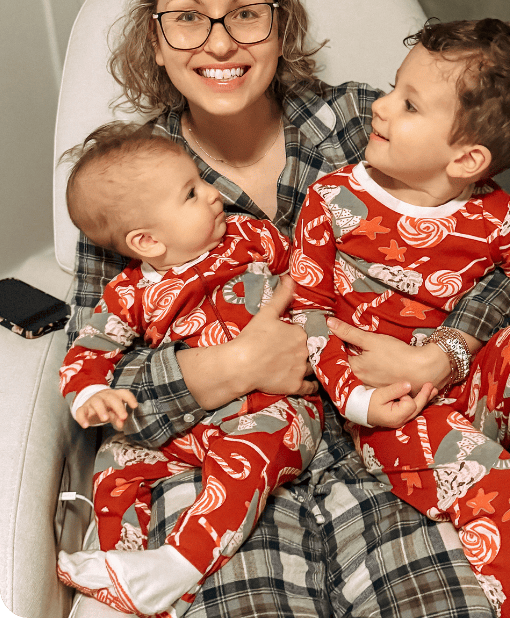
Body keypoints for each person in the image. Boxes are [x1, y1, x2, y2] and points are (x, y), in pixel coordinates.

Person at [66, 0, 510, 618]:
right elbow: (99, 372)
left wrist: (444, 353)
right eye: (188, 18)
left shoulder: (371, 123)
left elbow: (509, 259)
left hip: (398, 445)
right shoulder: (125, 182)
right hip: (218, 474)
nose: (219, 43)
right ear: (156, 39)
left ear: (280, 21)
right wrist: (233, 366)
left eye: (246, 13)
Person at [289, 18, 510, 617]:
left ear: (467, 158)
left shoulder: (503, 218)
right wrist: (358, 399)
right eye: (393, 88)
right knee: (490, 478)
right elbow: (310, 311)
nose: (380, 107)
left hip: (471, 381)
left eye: (408, 104)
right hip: (395, 408)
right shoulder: (332, 200)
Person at [56, 122, 323, 616]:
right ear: (147, 241)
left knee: (249, 456)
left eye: (201, 181)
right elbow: (89, 348)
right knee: (115, 460)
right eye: (192, 193)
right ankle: (121, 561)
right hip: (188, 424)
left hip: (272, 408)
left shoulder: (251, 237)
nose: (215, 193)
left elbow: (312, 275)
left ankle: (181, 562)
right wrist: (90, 393)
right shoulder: (128, 294)